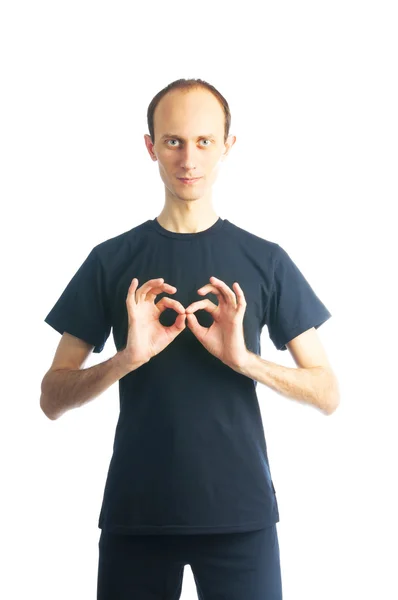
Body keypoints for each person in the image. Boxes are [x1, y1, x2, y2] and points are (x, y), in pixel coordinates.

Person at [41, 78, 339, 600]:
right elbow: (51, 398)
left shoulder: (265, 260)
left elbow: (327, 393)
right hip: (137, 517)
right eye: (174, 141)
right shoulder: (110, 260)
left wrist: (243, 359)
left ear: (228, 146)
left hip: (240, 516)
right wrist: (126, 360)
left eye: (204, 141)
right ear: (150, 146)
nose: (188, 158)